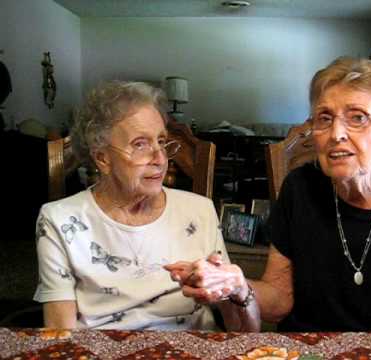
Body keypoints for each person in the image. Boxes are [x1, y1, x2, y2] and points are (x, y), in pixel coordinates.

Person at [166, 57, 371, 332]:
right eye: (324, 118)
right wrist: (236, 284)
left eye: (357, 118)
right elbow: (279, 300)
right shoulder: (300, 188)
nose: (336, 133)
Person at [33, 81, 249, 330]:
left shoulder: (200, 211)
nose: (160, 158)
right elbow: (61, 335)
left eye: (161, 141)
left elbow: (237, 327)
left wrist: (232, 288)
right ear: (102, 158)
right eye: (140, 144)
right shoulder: (59, 220)